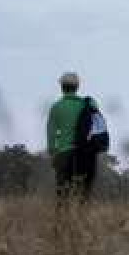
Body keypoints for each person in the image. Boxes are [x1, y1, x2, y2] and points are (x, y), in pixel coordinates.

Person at [46, 71, 97, 202]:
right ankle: (82, 219)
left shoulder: (56, 107)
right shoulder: (86, 104)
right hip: (85, 154)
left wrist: (53, 153)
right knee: (83, 196)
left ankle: (63, 220)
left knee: (62, 194)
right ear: (77, 87)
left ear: (62, 87)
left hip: (63, 153)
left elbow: (51, 133)